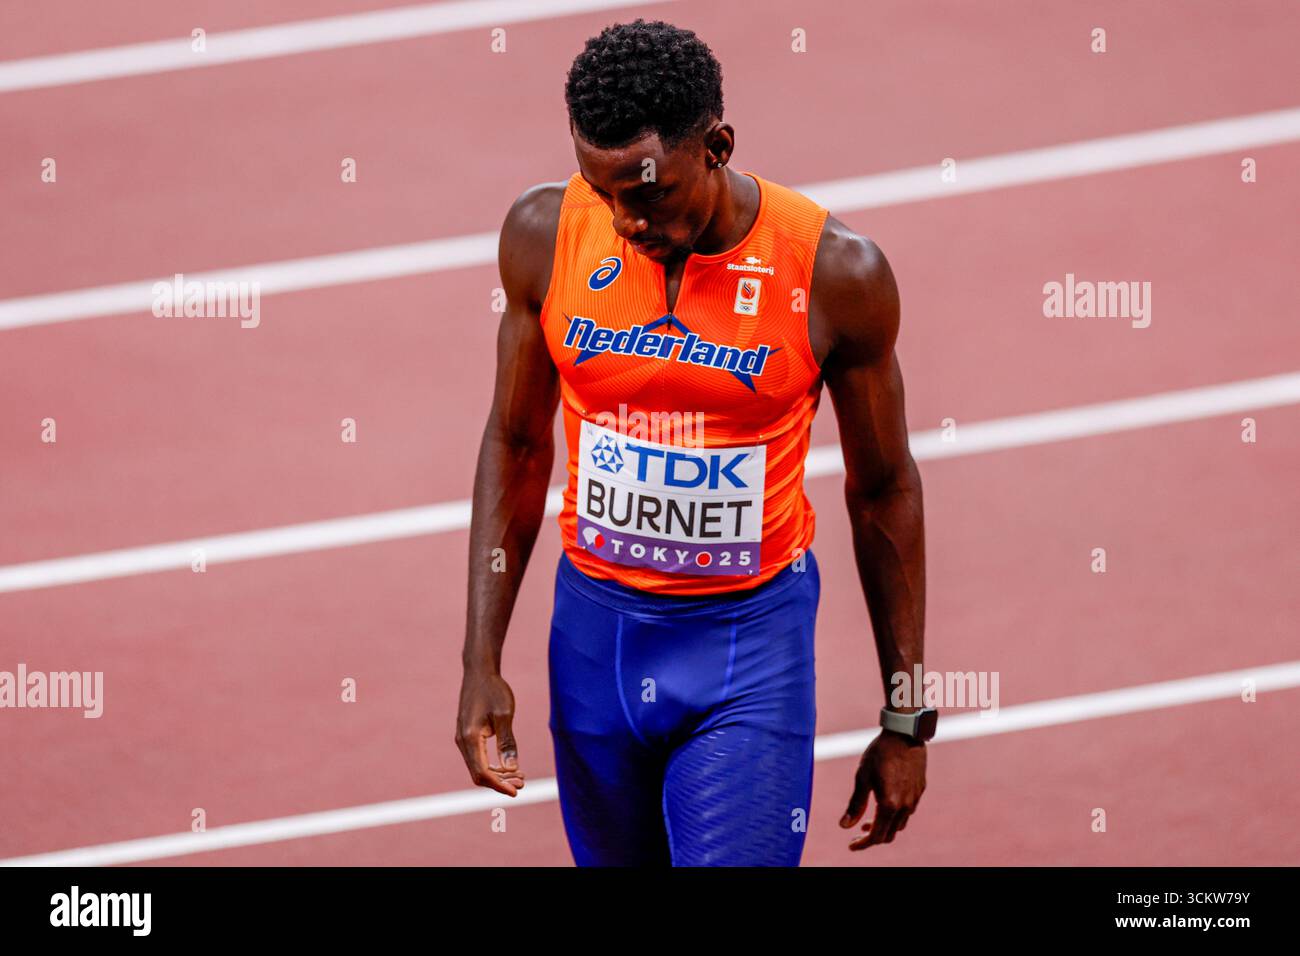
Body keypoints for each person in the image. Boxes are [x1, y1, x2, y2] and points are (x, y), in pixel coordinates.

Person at [456, 18, 932, 866]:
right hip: (594, 641)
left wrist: (905, 716)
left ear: (716, 145)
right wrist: (480, 661)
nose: (624, 222)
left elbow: (885, 488)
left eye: (647, 194)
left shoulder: (834, 273)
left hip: (748, 644)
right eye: (601, 191)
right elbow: (519, 444)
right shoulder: (544, 233)